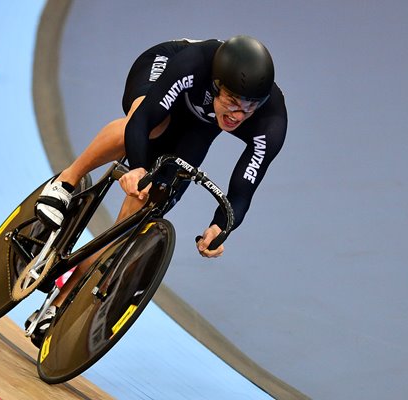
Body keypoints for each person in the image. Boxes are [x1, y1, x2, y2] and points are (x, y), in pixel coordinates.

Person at [28, 35, 287, 339]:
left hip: (199, 126)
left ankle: (59, 304)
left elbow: (243, 190)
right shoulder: (196, 63)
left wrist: (220, 227)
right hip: (163, 73)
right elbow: (142, 119)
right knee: (150, 126)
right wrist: (137, 167)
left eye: (249, 107)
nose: (238, 115)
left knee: (146, 203)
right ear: (217, 85)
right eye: (232, 102)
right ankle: (65, 182)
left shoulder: (272, 121)